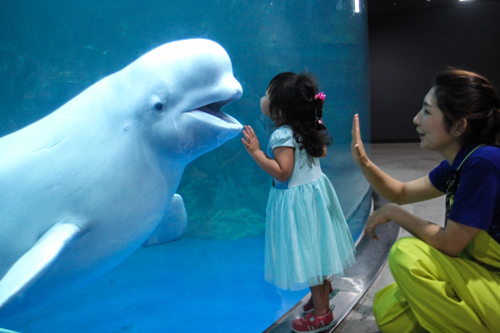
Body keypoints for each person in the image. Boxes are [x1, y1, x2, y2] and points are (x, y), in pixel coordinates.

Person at [351, 68, 500, 333]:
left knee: (406, 254)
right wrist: (363, 162)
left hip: (493, 282)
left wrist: (396, 214)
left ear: (458, 126)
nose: (416, 119)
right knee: (388, 310)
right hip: (476, 274)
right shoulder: (461, 162)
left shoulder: (482, 162)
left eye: (427, 112)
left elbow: (450, 244)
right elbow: (401, 192)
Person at [242, 72, 356, 333]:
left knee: (310, 257)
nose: (262, 98)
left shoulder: (282, 135)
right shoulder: (308, 127)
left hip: (298, 201)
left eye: (267, 95)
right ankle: (324, 292)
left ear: (278, 110)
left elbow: (283, 172)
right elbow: (322, 152)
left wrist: (256, 152)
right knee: (319, 249)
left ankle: (322, 314)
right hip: (316, 194)